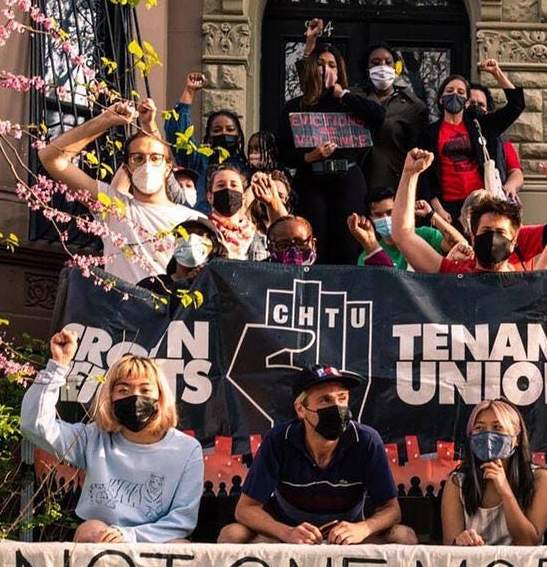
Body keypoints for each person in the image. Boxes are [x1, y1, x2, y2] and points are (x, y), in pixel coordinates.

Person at [22, 330, 202, 543]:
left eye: (145, 390)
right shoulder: (93, 438)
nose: (135, 397)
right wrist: (57, 366)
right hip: (102, 538)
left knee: (181, 547)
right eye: (124, 390)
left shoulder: (187, 449)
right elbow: (35, 425)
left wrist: (129, 536)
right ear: (110, 397)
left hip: (157, 540)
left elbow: (182, 520)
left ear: (160, 397)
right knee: (90, 530)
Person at [218, 366, 417, 545]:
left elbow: (392, 510)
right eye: (325, 400)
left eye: (342, 398)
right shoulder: (278, 440)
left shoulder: (366, 440)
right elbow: (245, 509)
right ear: (301, 409)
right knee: (232, 534)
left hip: (347, 539)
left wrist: (362, 528)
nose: (337, 407)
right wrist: (286, 533)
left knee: (403, 536)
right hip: (289, 537)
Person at [37, 102, 197, 284]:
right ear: (127, 168)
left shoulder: (193, 220)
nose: (147, 165)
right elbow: (52, 158)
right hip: (124, 310)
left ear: (168, 168)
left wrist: (150, 126)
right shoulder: (115, 208)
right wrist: (105, 121)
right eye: (138, 158)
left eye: (155, 158)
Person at [277, 39, 384, 264]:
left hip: (348, 180)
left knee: (348, 242)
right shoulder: (297, 106)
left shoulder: (349, 101)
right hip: (312, 180)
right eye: (321, 64)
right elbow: (282, 152)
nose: (326, 69)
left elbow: (378, 115)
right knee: (314, 240)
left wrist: (342, 94)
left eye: (332, 64)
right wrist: (308, 157)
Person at [391, 149, 547, 273]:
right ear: (472, 236)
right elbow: (403, 235)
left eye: (500, 232)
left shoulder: (521, 281)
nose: (493, 238)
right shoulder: (456, 274)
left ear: (514, 240)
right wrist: (410, 174)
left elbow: (541, 287)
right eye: (486, 231)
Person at [418, 62, 525, 223]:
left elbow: (516, 105)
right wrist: (438, 209)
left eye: (460, 92)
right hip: (448, 207)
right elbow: (425, 176)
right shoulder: (429, 133)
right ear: (441, 99)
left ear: (467, 102)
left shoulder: (481, 126)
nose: (455, 95)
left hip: (480, 203)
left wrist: (497, 73)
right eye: (449, 91)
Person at [440, 399, 547, 546]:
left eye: (497, 428)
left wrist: (505, 491)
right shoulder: (457, 482)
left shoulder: (540, 479)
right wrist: (460, 541)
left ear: (517, 438)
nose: (488, 435)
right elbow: (448, 549)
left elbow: (528, 542)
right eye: (479, 428)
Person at [164, 71, 249, 210]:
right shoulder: (199, 160)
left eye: (229, 129)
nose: (224, 133)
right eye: (217, 130)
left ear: (239, 135)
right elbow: (178, 136)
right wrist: (189, 92)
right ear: (209, 137)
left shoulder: (246, 168)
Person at [359, 44, 428, 197]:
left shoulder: (413, 106)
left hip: (395, 187)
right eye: (375, 63)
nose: (382, 67)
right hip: (359, 185)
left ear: (396, 67)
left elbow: (418, 151)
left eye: (388, 62)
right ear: (367, 69)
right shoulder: (356, 98)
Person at [348, 187, 444, 269]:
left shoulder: (427, 235)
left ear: (400, 210)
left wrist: (431, 214)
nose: (385, 219)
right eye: (378, 215)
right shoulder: (368, 255)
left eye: (390, 212)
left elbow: (456, 244)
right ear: (371, 219)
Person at [139, 216, 221, 298]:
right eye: (185, 234)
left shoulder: (213, 291)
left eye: (200, 234)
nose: (191, 239)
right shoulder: (154, 284)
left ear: (213, 248)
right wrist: (183, 284)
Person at [468, 82, 523, 203]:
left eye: (481, 104)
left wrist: (510, 186)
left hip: (491, 201)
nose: (475, 107)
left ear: (487, 111)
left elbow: (516, 171)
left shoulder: (499, 139)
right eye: (471, 103)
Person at [203, 163, 260, 259]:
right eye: (221, 185)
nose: (228, 189)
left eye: (234, 185)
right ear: (210, 197)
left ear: (243, 197)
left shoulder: (255, 234)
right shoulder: (202, 231)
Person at [247, 169, 293, 261]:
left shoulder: (294, 227)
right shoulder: (246, 227)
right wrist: (253, 188)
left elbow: (290, 232)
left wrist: (274, 202)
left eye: (280, 195)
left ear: (287, 199)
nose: (271, 197)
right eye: (267, 191)